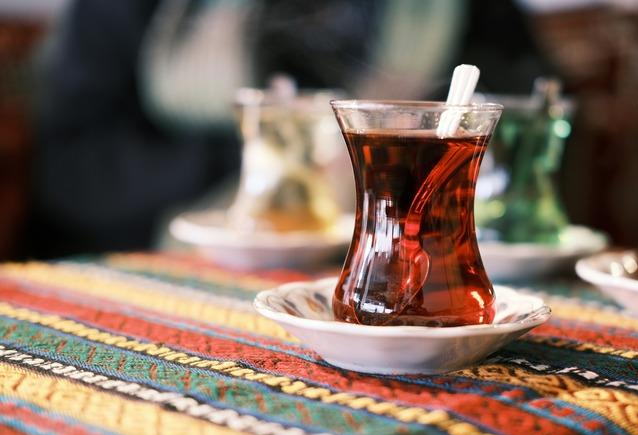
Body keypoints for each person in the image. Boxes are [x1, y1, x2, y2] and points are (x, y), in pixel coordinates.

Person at [28, 0, 552, 258]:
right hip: (176, 266)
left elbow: (528, 127)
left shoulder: (469, 11)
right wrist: (268, 158)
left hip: (404, 260)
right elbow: (72, 166)